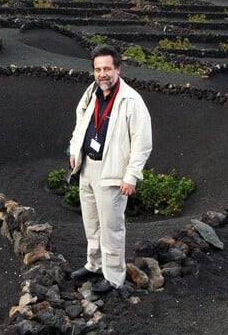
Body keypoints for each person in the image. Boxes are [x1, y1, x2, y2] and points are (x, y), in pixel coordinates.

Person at [69, 45, 152, 293]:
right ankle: (94, 264)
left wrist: (131, 176)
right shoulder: (92, 92)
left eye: (107, 68)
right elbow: (80, 122)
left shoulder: (132, 100)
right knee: (92, 223)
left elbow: (142, 142)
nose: (102, 74)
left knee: (112, 227)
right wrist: (75, 150)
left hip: (112, 172)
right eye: (97, 69)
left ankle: (114, 276)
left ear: (118, 68)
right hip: (87, 167)